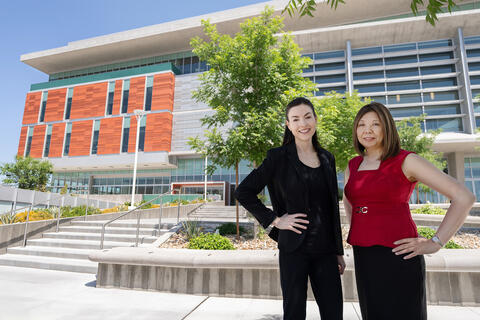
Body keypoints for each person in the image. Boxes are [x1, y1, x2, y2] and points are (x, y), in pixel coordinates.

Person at [343, 102, 475, 320]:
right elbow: (350, 202)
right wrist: (360, 230)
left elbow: (464, 197)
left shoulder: (407, 160)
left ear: (387, 127)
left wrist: (436, 242)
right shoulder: (352, 165)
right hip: (364, 257)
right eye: (361, 124)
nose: (367, 130)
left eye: (375, 124)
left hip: (399, 256)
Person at [234, 97, 345, 320]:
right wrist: (275, 220)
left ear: (315, 119)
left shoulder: (327, 158)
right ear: (288, 124)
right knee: (294, 313)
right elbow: (243, 192)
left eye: (307, 117)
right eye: (295, 119)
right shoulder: (277, 157)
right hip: (294, 249)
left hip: (325, 250)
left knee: (334, 312)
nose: (303, 124)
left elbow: (332, 206)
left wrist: (338, 250)